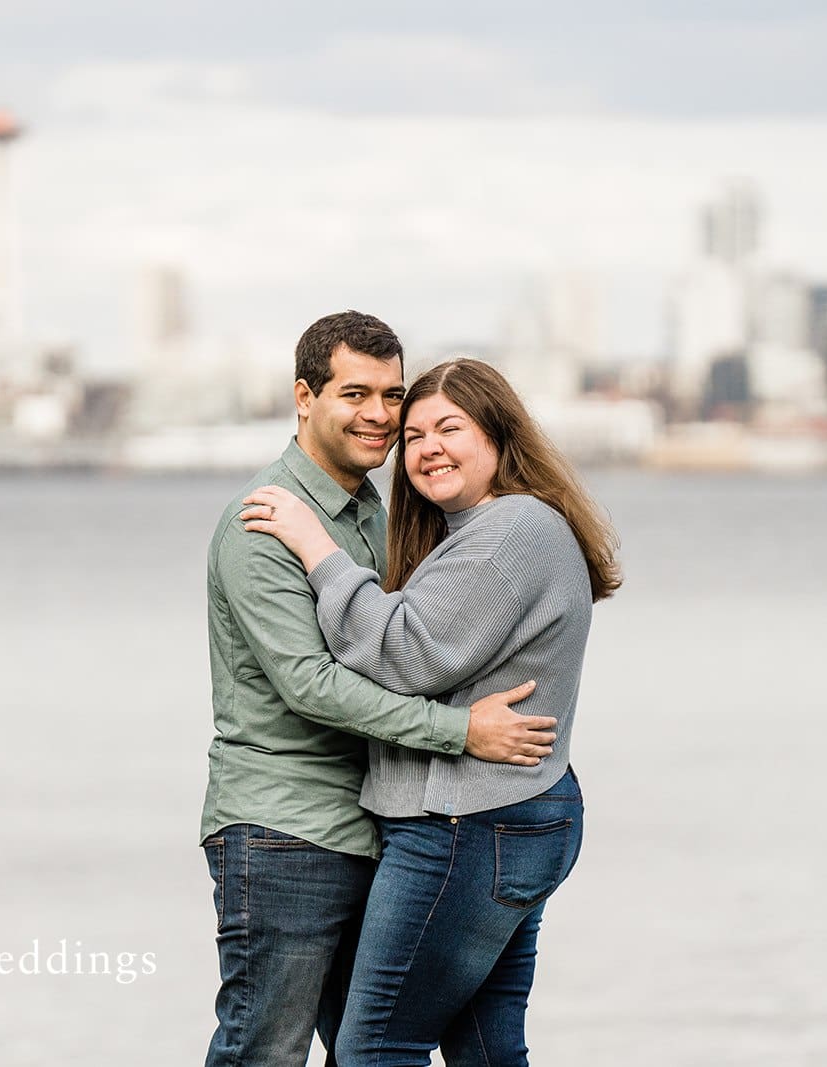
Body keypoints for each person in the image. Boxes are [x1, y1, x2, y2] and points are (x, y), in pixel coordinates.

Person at [200, 315, 561, 1067]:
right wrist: (461, 732)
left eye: (391, 394)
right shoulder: (265, 520)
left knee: (372, 1050)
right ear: (304, 397)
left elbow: (410, 639)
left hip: (376, 827)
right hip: (284, 829)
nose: (379, 415)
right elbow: (312, 685)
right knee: (261, 1050)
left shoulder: (382, 511)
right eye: (354, 392)